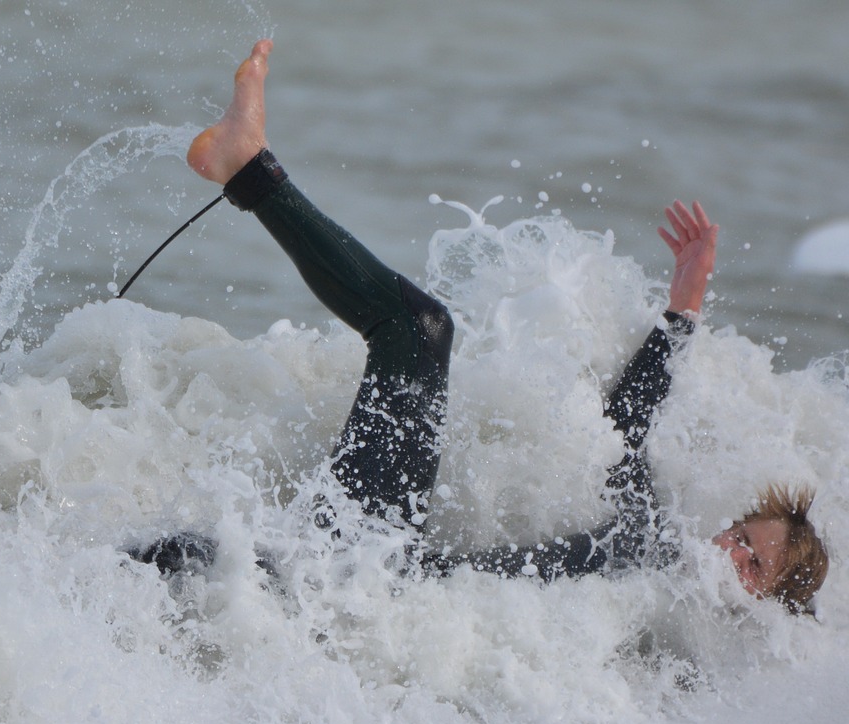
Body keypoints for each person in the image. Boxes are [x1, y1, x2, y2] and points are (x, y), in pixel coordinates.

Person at [176, 39, 828, 614]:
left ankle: (249, 163)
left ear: (766, 608)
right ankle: (248, 163)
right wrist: (684, 306)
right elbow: (623, 425)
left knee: (415, 329)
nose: (730, 557)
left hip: (378, 600)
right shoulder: (649, 534)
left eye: (753, 567)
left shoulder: (677, 644)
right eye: (741, 538)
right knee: (418, 331)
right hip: (376, 577)